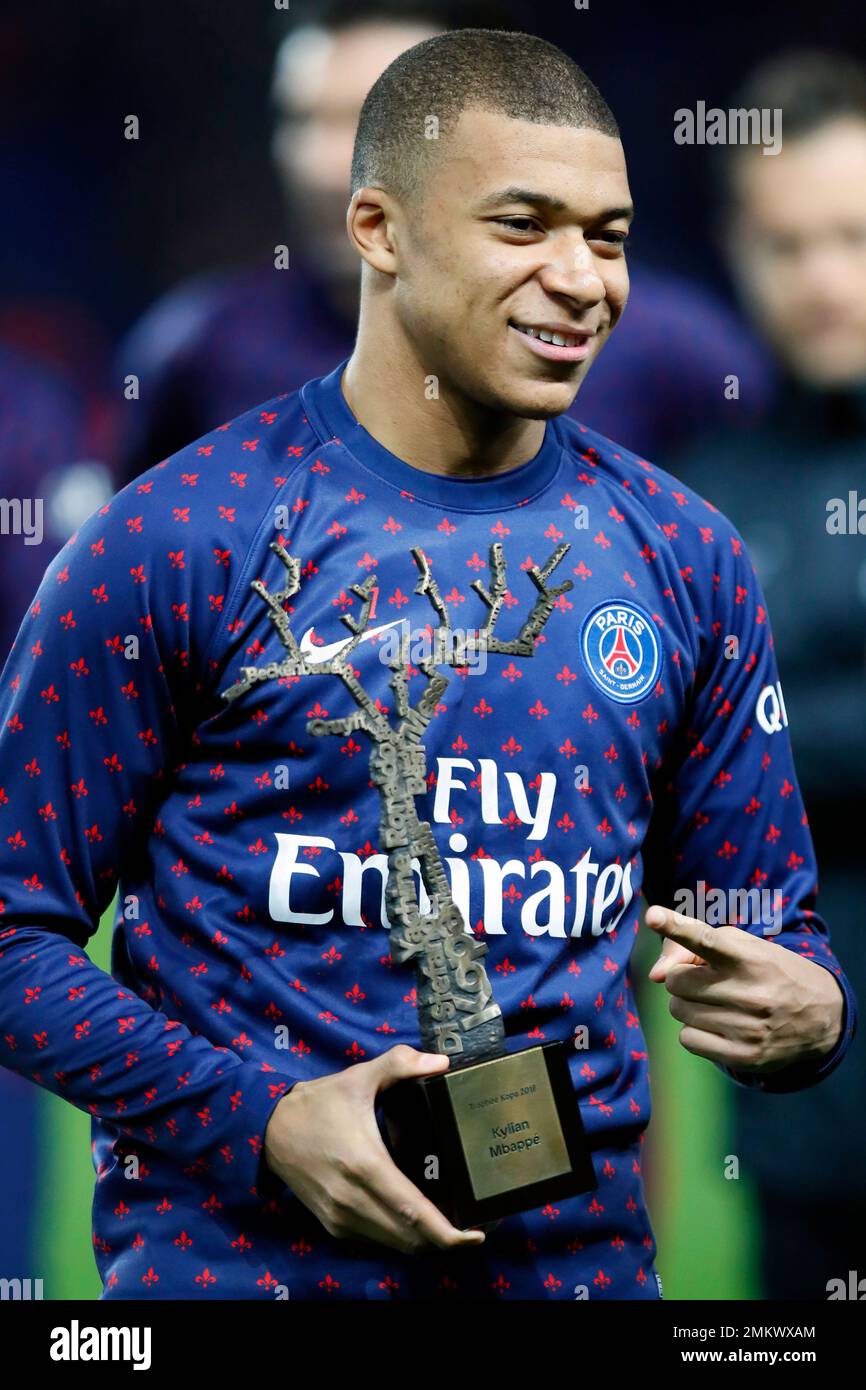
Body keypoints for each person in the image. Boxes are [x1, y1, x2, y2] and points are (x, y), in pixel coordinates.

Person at [0, 28, 855, 1302]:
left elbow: (771, 923)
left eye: (609, 236)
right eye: (524, 224)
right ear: (377, 229)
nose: (580, 279)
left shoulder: (685, 556)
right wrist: (260, 1120)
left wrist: (809, 1010)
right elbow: (13, 926)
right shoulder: (177, 537)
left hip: (577, 1278)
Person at [113, 0, 773, 486]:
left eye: (372, 119)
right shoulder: (198, 350)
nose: (320, 163)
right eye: (301, 119)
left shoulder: (671, 351)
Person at [673, 50, 866, 1299]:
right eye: (785, 243)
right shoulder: (709, 493)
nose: (823, 280)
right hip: (798, 1130)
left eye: (853, 234)